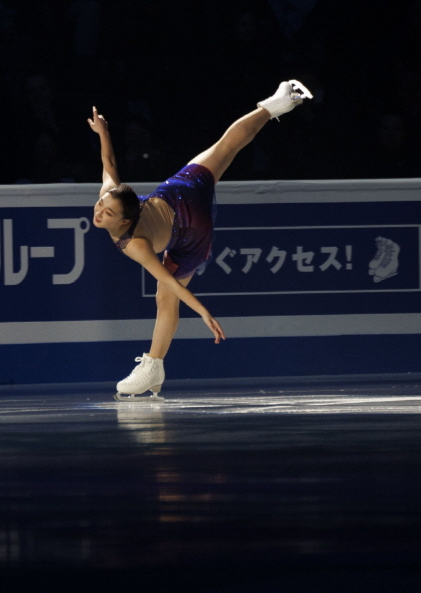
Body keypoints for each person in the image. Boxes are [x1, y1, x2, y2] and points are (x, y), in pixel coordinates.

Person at [90, 80, 312, 399]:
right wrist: (103, 132)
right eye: (101, 205)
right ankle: (273, 106)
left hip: (193, 231)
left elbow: (172, 283)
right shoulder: (113, 195)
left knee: (164, 298)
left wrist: (203, 312)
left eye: (107, 212)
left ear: (126, 220)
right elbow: (109, 165)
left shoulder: (134, 244)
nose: (99, 212)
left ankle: (154, 365)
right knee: (225, 147)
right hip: (180, 191)